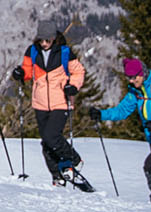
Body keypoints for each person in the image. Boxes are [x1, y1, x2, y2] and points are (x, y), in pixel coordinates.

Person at [94, 58, 151, 209]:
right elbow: (122, 111)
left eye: (133, 77)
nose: (131, 81)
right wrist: (101, 115)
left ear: (142, 74)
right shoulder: (135, 91)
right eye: (128, 77)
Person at [13, 19, 93, 191]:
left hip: (61, 101)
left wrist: (73, 86)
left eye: (47, 40)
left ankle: (74, 160)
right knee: (46, 142)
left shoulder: (64, 52)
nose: (44, 44)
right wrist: (21, 73)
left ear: (54, 38)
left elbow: (78, 71)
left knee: (51, 136)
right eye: (41, 40)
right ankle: (57, 175)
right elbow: (28, 70)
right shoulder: (32, 51)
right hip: (40, 102)